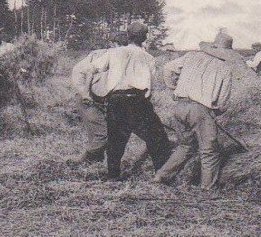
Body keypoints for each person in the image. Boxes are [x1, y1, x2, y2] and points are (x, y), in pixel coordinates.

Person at [155, 30, 247, 189]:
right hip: (201, 110)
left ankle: (161, 176)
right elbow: (223, 98)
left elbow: (167, 69)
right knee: (209, 151)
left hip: (180, 107)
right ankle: (207, 188)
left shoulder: (191, 56)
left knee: (186, 145)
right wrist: (215, 113)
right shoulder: (224, 67)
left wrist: (173, 88)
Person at [85, 21, 171, 180]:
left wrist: (89, 92)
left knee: (115, 140)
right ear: (144, 38)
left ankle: (112, 176)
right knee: (157, 139)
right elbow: (150, 86)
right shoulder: (148, 57)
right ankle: (162, 175)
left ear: (128, 35)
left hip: (115, 100)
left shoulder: (113, 52)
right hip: (138, 100)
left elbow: (91, 69)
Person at [71, 36, 119, 164]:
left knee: (96, 133)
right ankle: (82, 159)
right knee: (103, 135)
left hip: (100, 101)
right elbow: (80, 76)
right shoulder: (97, 57)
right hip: (87, 101)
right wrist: (85, 94)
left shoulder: (116, 59)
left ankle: (94, 161)